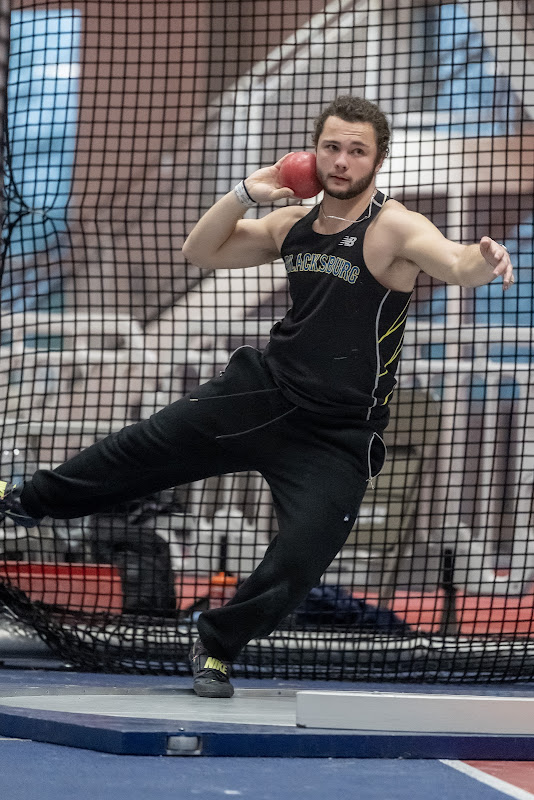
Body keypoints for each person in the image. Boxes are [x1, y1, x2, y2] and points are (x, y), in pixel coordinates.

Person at [0, 96, 514, 698]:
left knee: (300, 559)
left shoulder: (393, 225)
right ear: (313, 150)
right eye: (332, 147)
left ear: (379, 159)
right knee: (138, 450)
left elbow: (452, 262)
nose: (342, 161)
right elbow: (201, 250)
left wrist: (486, 258)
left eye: (357, 151)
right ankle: (23, 501)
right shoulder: (290, 225)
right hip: (261, 394)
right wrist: (248, 191)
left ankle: (216, 644)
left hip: (337, 434)